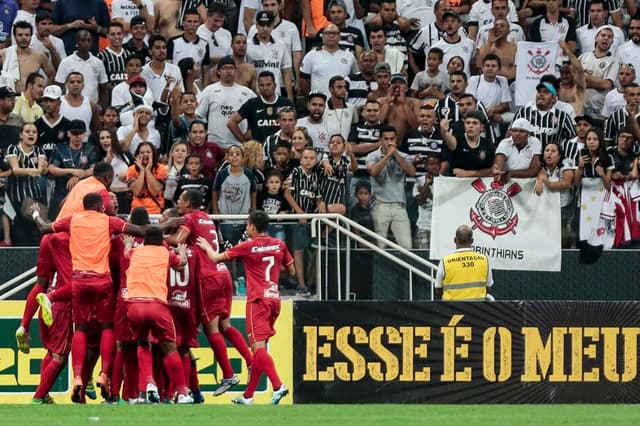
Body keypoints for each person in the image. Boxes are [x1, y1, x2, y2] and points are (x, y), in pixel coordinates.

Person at [196, 209, 294, 405]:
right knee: (261, 349)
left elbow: (215, 258)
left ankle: (278, 385)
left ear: (251, 227)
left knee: (257, 351)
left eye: (248, 225)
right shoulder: (279, 244)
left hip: (257, 301)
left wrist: (206, 246)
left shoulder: (248, 246)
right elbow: (290, 270)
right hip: (274, 299)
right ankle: (248, 396)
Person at [165, 189, 254, 397]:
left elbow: (179, 239)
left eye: (180, 199)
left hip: (208, 278)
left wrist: (156, 235)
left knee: (212, 329)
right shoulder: (207, 218)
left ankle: (229, 374)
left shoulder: (189, 218)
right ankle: (252, 363)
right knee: (226, 325)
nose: (178, 202)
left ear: (187, 203)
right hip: (223, 273)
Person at [123, 227, 193, 404]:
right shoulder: (165, 252)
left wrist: (129, 243)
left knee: (142, 343)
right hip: (156, 304)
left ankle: (149, 383)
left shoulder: (135, 252)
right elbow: (181, 263)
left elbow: (126, 253)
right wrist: (183, 252)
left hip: (134, 304)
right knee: (170, 348)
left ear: (144, 241)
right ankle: (183, 393)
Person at [366, 125, 416, 249]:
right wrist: (388, 156)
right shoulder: (373, 156)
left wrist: (396, 155)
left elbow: (412, 172)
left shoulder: (403, 156)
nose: (389, 142)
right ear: (380, 140)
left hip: (399, 206)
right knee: (380, 246)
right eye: (386, 139)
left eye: (392, 139)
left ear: (396, 139)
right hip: (380, 205)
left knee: (407, 246)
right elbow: (373, 172)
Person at [196, 55, 256, 148]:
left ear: (236, 71)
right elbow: (199, 115)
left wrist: (249, 132)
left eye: (231, 68)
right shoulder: (209, 90)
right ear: (218, 71)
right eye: (225, 68)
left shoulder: (247, 92)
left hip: (239, 145)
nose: (228, 71)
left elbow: (257, 114)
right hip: (215, 145)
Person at [227, 70, 294, 143]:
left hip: (282, 149)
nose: (265, 88)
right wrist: (244, 141)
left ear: (275, 85)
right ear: (258, 87)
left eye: (268, 84)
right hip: (258, 150)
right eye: (262, 85)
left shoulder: (286, 103)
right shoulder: (252, 104)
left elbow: (294, 124)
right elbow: (231, 122)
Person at [434, 224, 494, 300]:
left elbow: (438, 289)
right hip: (477, 309)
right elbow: (488, 287)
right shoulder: (484, 260)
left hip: (452, 309)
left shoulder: (445, 261)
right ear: (472, 241)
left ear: (455, 240)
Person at [298, 23, 358, 97]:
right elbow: (303, 80)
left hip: (343, 103)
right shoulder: (311, 55)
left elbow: (355, 79)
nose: (331, 36)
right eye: (328, 33)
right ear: (322, 36)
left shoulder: (349, 56)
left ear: (340, 37)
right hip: (319, 105)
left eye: (334, 33)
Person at [535, 142, 576, 248]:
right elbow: (541, 176)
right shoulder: (543, 168)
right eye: (547, 151)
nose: (549, 153)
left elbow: (567, 183)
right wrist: (540, 180)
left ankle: (567, 257)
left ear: (559, 155)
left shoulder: (566, 164)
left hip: (564, 207)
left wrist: (548, 184)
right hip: (548, 207)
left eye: (553, 151)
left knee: (563, 236)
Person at [54, 30, 108, 106]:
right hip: (69, 106)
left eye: (88, 40)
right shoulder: (66, 62)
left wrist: (102, 108)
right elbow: (58, 87)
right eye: (83, 40)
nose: (86, 43)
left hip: (92, 106)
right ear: (76, 42)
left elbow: (104, 88)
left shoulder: (98, 63)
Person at [0, 20, 55, 93]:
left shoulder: (39, 56)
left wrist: (44, 92)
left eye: (27, 35)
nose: (24, 38)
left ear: (31, 36)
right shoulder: (4, 53)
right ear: (14, 36)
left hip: (30, 99)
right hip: (8, 99)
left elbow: (52, 75)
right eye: (20, 35)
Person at [126, 141, 167, 214]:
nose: (145, 154)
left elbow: (157, 189)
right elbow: (136, 191)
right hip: (136, 211)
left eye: (148, 152)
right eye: (142, 152)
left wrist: (147, 171)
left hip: (156, 210)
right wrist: (142, 171)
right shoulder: (131, 170)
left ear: (153, 154)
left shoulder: (162, 169)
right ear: (137, 155)